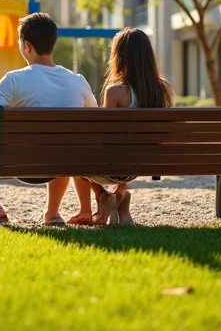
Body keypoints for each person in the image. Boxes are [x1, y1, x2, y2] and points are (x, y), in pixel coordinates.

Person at [0, 12, 97, 225]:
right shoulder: (78, 81)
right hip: (62, 161)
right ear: (52, 44)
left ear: (26, 46)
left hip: (13, 163)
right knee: (62, 140)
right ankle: (52, 213)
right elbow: (92, 124)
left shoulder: (12, 80)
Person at [73, 28, 174, 226]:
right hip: (141, 164)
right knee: (129, 149)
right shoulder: (162, 89)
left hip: (114, 166)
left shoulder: (115, 92)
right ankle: (120, 199)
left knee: (75, 154)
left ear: (119, 57)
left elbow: (106, 139)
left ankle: (102, 196)